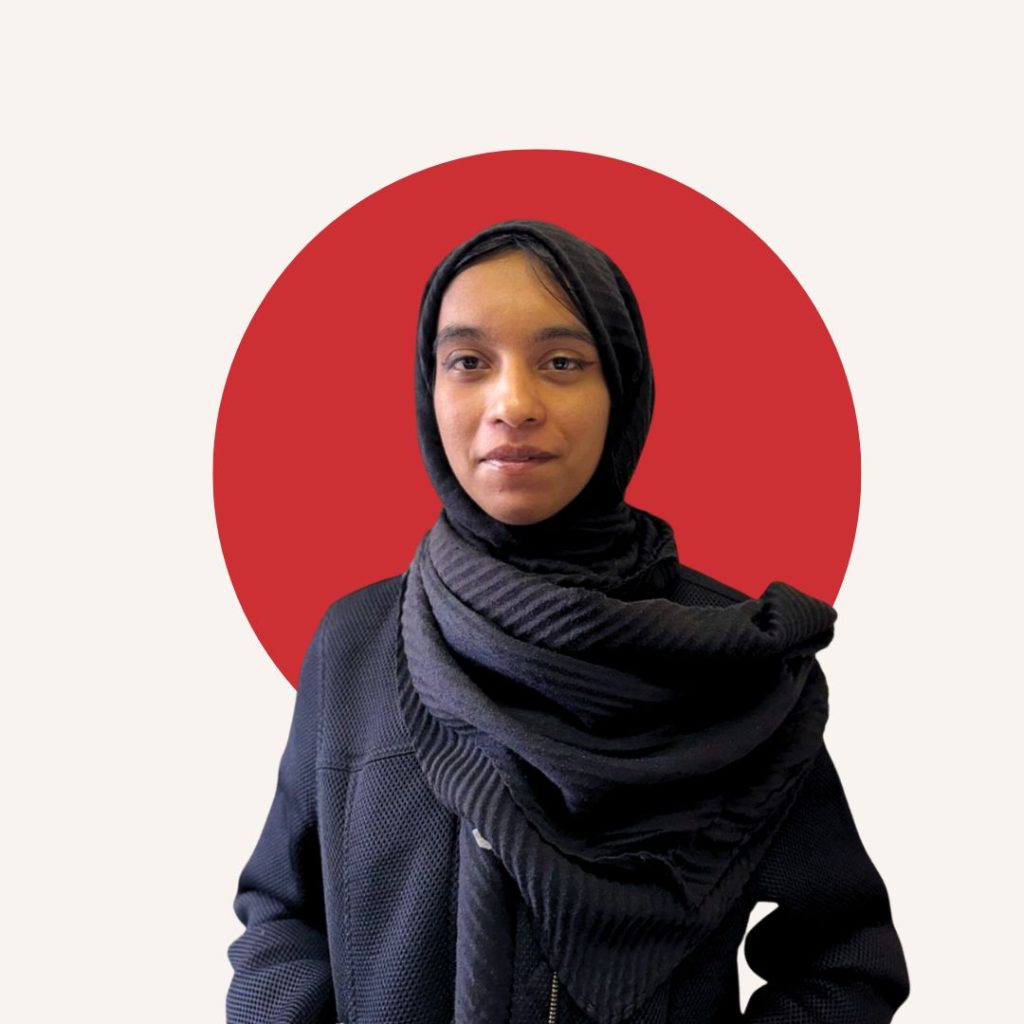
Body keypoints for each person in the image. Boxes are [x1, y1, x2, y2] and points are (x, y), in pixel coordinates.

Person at [227, 221, 910, 1023]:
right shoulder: (356, 642)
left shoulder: (729, 657)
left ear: (620, 386)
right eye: (468, 362)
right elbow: (284, 914)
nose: (512, 404)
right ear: (429, 388)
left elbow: (843, 956)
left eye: (561, 363)